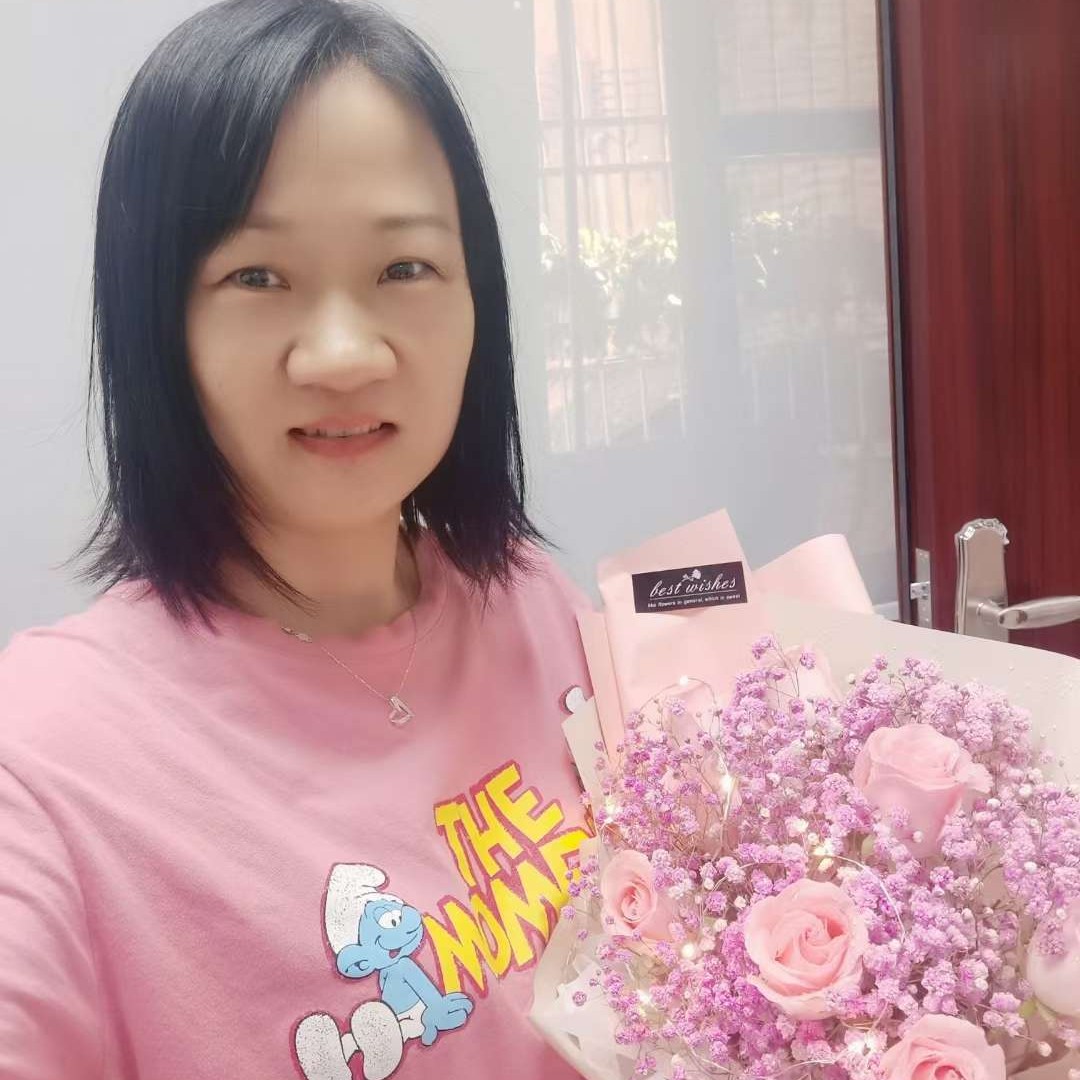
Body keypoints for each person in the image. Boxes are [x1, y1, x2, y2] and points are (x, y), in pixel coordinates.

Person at [0, 2, 594, 1077]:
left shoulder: (533, 601)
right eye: (257, 277)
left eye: (404, 269)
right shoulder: (43, 760)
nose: (343, 354)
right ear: (156, 326)